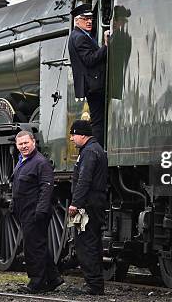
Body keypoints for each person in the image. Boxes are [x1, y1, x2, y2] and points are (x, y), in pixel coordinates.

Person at [12, 130, 64, 293]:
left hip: (35, 211)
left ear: (33, 142)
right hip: (25, 210)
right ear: (16, 145)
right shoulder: (23, 162)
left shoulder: (41, 163)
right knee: (38, 245)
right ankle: (54, 278)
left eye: (26, 143)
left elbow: (46, 188)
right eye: (20, 144)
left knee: (33, 248)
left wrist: (40, 211)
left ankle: (37, 282)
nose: (23, 146)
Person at [68, 119, 108, 295]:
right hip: (94, 202)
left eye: (73, 134)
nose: (71, 138)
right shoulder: (95, 149)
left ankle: (94, 284)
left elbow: (84, 180)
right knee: (92, 241)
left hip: (87, 205)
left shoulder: (89, 152)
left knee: (85, 242)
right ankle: (95, 283)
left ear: (82, 135)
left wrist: (76, 203)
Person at [68, 4, 111, 145]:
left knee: (98, 119)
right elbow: (90, 59)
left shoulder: (82, 35)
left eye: (91, 18)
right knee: (98, 121)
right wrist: (106, 45)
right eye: (85, 18)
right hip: (93, 85)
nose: (89, 21)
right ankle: (97, 149)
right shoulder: (79, 37)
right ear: (76, 20)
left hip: (93, 84)